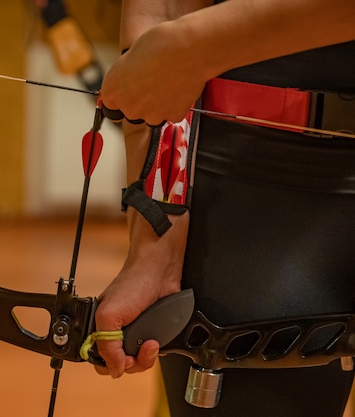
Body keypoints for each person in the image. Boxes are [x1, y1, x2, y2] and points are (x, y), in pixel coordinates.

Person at [95, 1, 355, 415]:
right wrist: (154, 249)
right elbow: (163, 15)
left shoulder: (192, 45)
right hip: (246, 181)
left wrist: (197, 46)